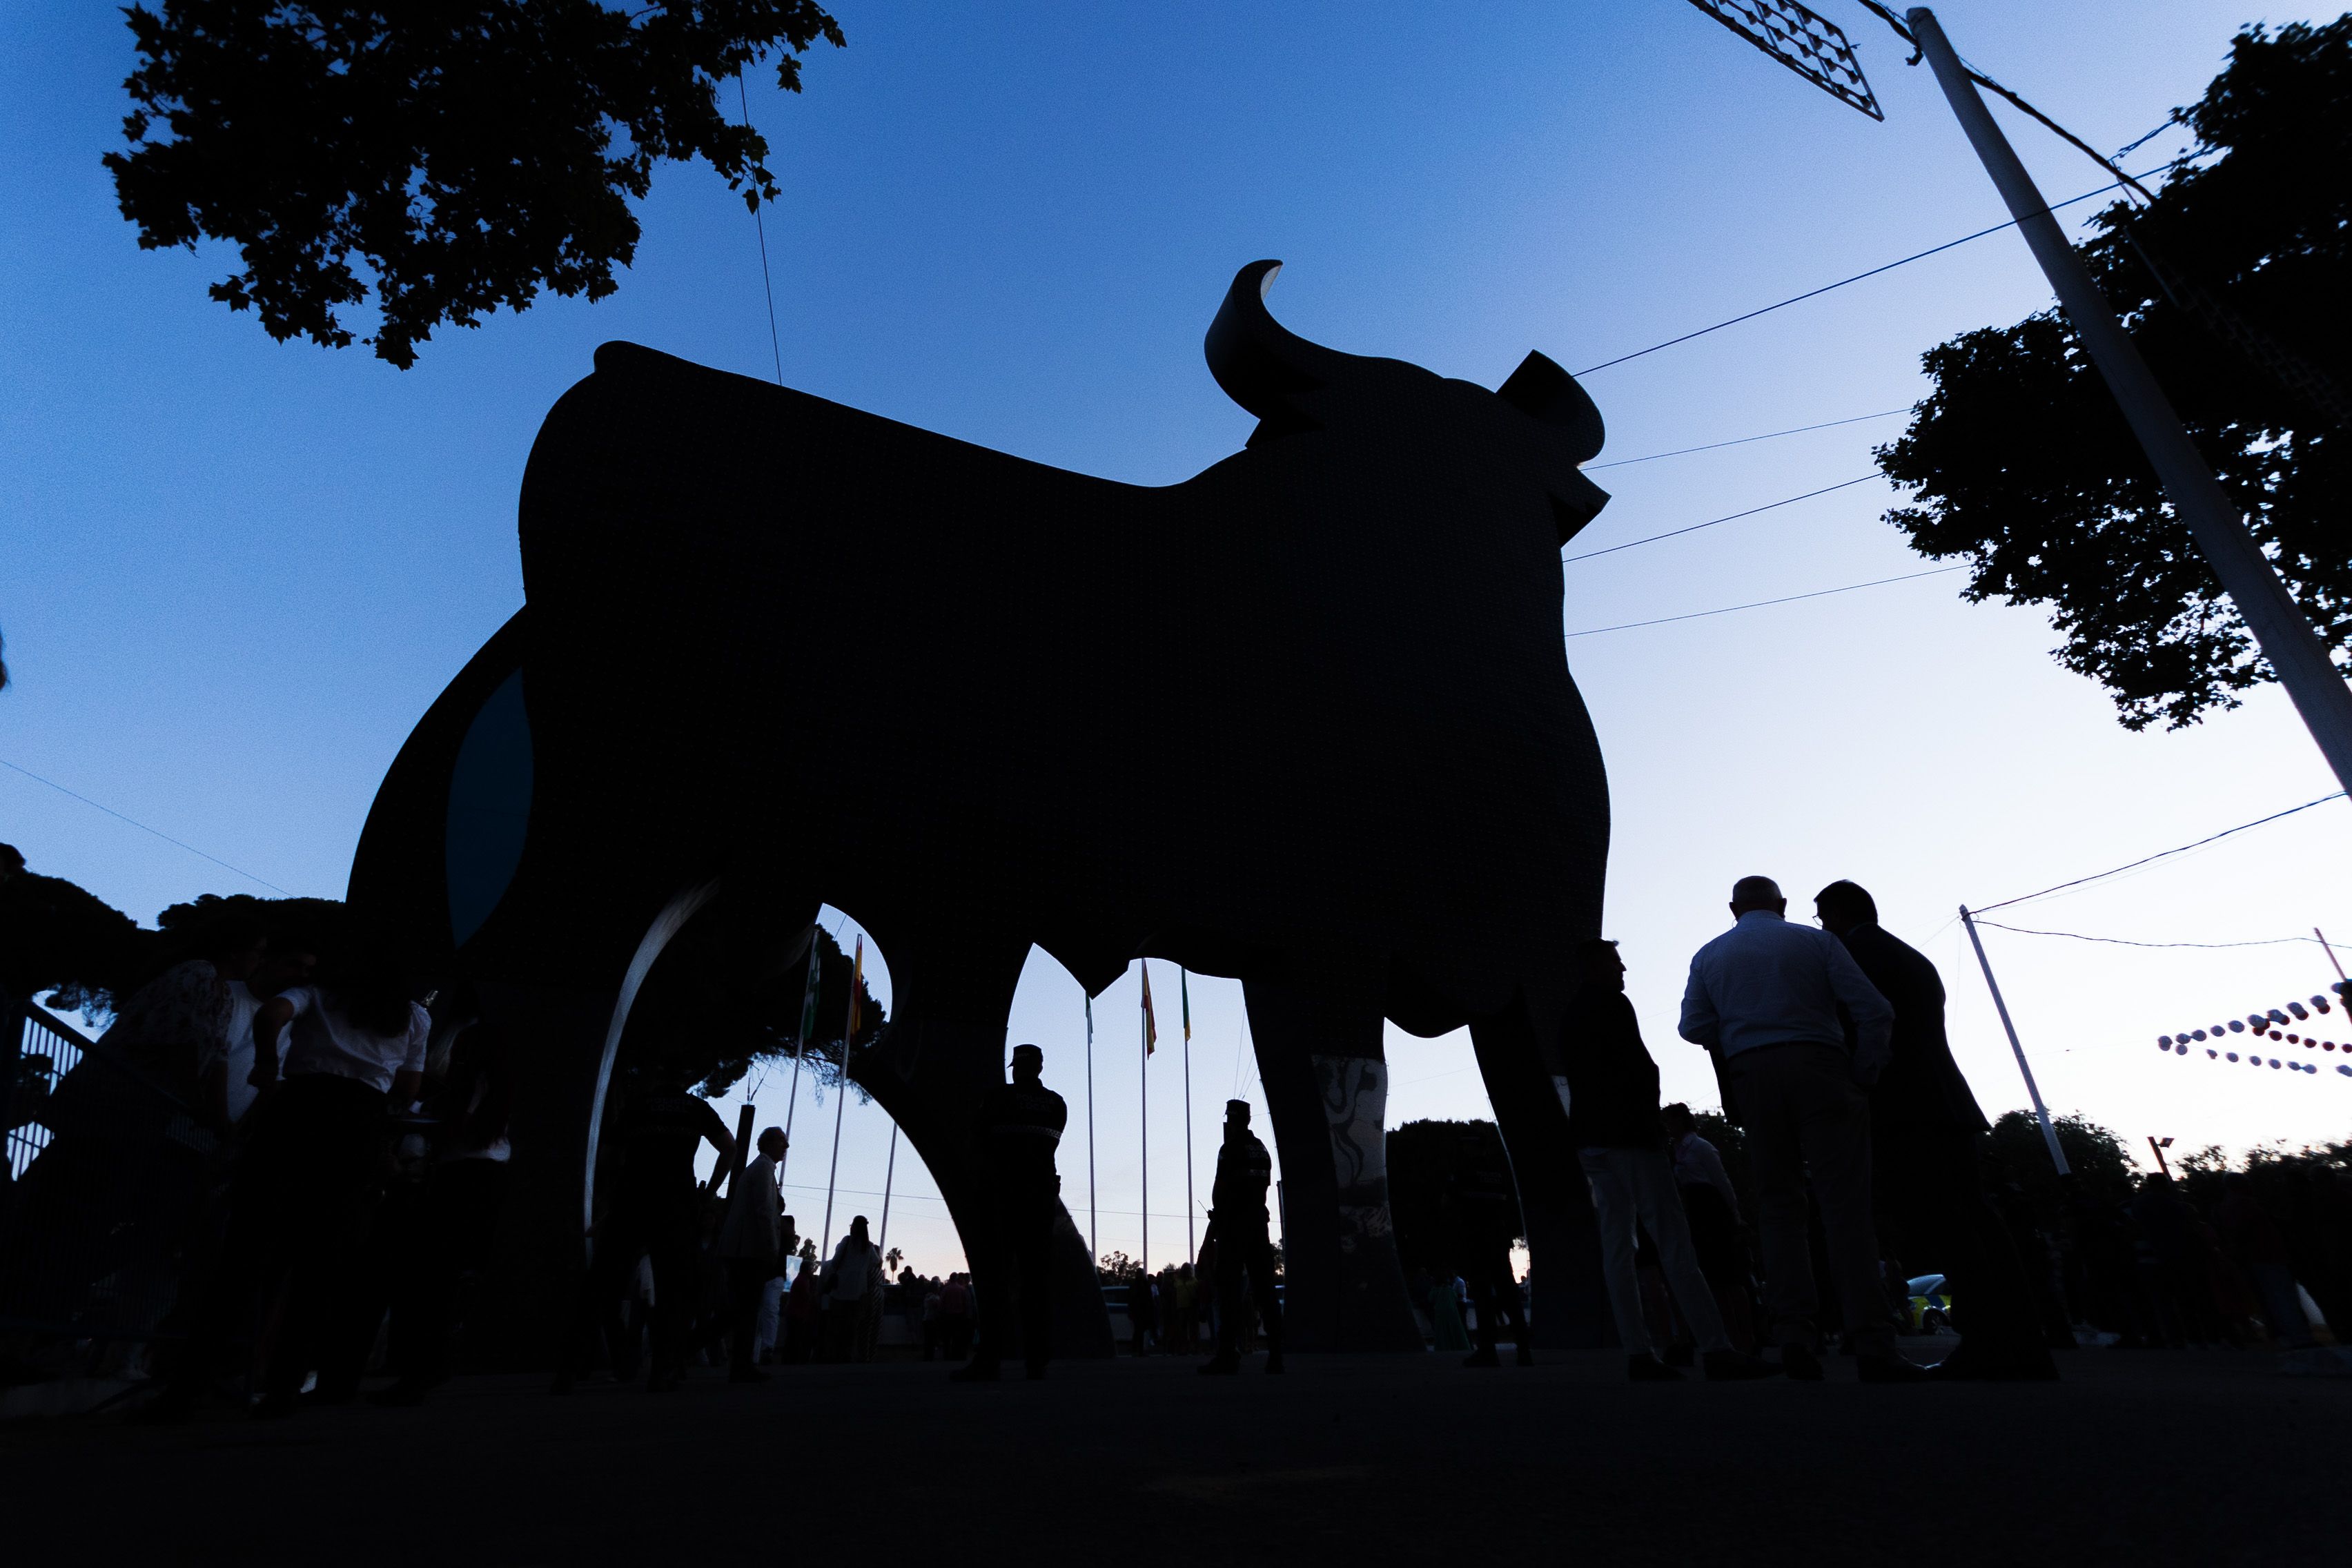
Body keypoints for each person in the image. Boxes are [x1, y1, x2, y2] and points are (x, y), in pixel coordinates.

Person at [1679, 876, 1924, 1382]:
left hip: (1752, 1075)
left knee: (1778, 1207)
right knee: (1846, 1207)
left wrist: (1739, 1030)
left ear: (1733, 909)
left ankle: (1794, 1331)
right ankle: (1873, 1342)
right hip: (1822, 1065)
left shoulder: (1709, 956)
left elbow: (1692, 1027)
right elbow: (1874, 1009)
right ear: (1783, 904)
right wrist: (1865, 1069)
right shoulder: (1816, 942)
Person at [1816, 880, 2059, 1381]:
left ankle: (1988, 1343)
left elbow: (1856, 1024)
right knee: (1978, 1218)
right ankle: (2022, 1341)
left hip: (1903, 1108)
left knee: (1945, 1224)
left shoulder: (1852, 958)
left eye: (1823, 918)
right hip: (1946, 1099)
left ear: (1838, 914)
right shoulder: (1910, 957)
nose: (1821, 929)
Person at [1563, 940, 1776, 1382]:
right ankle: (1716, 1348)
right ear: (1594, 966)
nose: (1623, 967)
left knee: (1618, 1247)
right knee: (1675, 1242)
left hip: (1592, 1141)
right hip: (1630, 1138)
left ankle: (1638, 1351)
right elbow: (1637, 1072)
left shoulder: (1571, 1013)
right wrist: (1651, 1129)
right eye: (1614, 961)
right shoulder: (1614, 1005)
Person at [239, 958, 431, 1414]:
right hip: (360, 1121)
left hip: (300, 1109)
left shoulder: (319, 995)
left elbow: (270, 1014)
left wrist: (268, 1063)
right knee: (322, 1261)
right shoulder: (413, 1015)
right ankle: (285, 1388)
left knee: (253, 1245)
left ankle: (199, 1378)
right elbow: (408, 1086)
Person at [559, 1069, 734, 1393]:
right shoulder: (696, 1108)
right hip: (676, 1204)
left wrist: (612, 1199)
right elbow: (729, 1148)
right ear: (687, 1079)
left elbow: (610, 1154)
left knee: (601, 1283)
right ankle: (662, 1371)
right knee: (672, 1290)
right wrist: (708, 1193)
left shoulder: (638, 1106)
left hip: (632, 1199)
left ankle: (569, 1369)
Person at [952, 1044, 1067, 1380]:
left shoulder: (999, 1099)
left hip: (1003, 1197)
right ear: (1041, 1068)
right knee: (1037, 1282)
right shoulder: (1056, 1104)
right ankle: (1037, 1361)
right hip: (1041, 1198)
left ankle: (989, 1359)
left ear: (1018, 1067)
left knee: (994, 1280)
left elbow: (977, 1139)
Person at [1660, 1103, 1758, 1352]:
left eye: (1670, 1122)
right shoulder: (1678, 1151)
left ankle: (1746, 1337)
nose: (1668, 1127)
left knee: (1730, 1277)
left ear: (1681, 1122)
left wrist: (1734, 1215)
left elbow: (1722, 1182)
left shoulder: (1702, 1148)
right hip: (1698, 1214)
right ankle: (1732, 1335)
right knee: (1715, 1280)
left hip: (1715, 1213)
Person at [1199, 1099, 1284, 1375]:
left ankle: (1227, 1355)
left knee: (1228, 1290)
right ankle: (1277, 1356)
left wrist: (1219, 1218)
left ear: (1232, 1120)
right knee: (1266, 1291)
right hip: (1259, 1225)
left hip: (1235, 1227)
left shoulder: (1230, 1149)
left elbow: (1221, 1187)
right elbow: (1262, 1189)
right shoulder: (1261, 1150)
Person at [1449, 1125, 1535, 1367]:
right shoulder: (1498, 1171)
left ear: (1472, 1146)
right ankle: (1524, 1348)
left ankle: (1487, 1350)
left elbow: (1454, 1201)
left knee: (1483, 1294)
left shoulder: (1465, 1171)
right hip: (1499, 1236)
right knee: (1508, 1292)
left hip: (1477, 1237)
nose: (1464, 1149)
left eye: (1467, 1145)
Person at [716, 1126, 792, 1382]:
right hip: (748, 1253)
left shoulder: (760, 1169)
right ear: (769, 1143)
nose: (786, 1147)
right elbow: (764, 1212)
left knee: (740, 1310)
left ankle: (740, 1363)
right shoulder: (763, 1170)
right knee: (745, 1310)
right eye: (783, 1141)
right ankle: (741, 1365)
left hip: (743, 1251)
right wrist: (771, 1248)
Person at [823, 1215, 885, 1362]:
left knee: (836, 1326)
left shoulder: (846, 1242)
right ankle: (847, 1356)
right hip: (859, 1294)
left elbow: (835, 1262)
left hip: (840, 1292)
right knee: (851, 1329)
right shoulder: (869, 1247)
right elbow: (876, 1262)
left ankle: (833, 1356)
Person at [937, 1270, 974, 1363]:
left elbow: (941, 1303)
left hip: (948, 1316)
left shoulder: (946, 1289)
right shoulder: (962, 1289)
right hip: (959, 1316)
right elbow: (966, 1303)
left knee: (947, 1337)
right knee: (957, 1337)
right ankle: (957, 1355)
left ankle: (946, 1355)